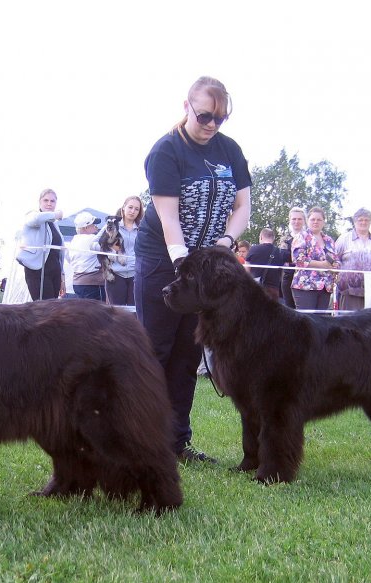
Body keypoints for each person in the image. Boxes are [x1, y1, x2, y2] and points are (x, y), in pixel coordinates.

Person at [134, 76, 251, 463]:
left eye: (220, 118)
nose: (212, 125)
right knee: (156, 351)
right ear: (186, 106)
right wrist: (186, 268)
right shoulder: (166, 150)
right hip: (162, 259)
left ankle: (176, 443)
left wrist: (226, 243)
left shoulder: (229, 150)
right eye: (204, 116)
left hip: (202, 267)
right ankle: (141, 440)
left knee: (188, 354)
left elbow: (242, 207)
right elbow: (169, 218)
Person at [333, 208, 371, 311]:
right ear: (354, 221)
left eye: (366, 220)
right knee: (349, 319)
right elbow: (335, 259)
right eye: (360, 220)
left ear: (370, 221)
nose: (363, 222)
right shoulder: (344, 239)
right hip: (349, 290)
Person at [16, 188, 64, 301]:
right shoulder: (32, 215)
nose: (49, 203)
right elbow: (35, 219)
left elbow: (60, 252)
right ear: (39, 202)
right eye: (46, 200)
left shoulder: (55, 224)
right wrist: (56, 214)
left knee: (54, 308)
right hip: (37, 271)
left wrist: (62, 277)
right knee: (44, 308)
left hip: (55, 271)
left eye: (52, 201)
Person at [291, 207, 340, 311]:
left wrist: (336, 266)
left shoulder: (329, 240)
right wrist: (322, 265)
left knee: (321, 320)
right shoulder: (301, 236)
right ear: (307, 221)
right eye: (313, 219)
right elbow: (298, 259)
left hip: (325, 287)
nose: (315, 222)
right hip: (305, 286)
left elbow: (336, 259)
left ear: (324, 222)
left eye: (319, 220)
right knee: (306, 319)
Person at [97, 195, 141, 306]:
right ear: (123, 207)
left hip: (135, 275)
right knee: (116, 312)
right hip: (115, 274)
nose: (133, 211)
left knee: (134, 311)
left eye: (136, 209)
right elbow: (92, 245)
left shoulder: (142, 228)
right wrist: (110, 248)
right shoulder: (110, 225)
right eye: (130, 207)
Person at [67, 211, 105, 301]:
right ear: (86, 227)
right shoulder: (91, 239)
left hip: (77, 283)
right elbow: (108, 249)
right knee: (97, 309)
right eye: (94, 225)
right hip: (93, 284)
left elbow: (68, 259)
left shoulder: (73, 241)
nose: (96, 227)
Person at [279, 207, 306, 308]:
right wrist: (301, 257)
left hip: (306, 278)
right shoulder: (285, 238)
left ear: (304, 220)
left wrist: (294, 256)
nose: (296, 221)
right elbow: (283, 256)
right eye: (294, 219)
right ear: (290, 220)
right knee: (289, 308)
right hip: (288, 277)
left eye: (299, 219)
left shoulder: (309, 237)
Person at [245, 228, 283, 300]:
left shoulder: (253, 249)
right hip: (273, 289)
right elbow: (282, 272)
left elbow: (247, 270)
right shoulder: (279, 251)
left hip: (256, 288)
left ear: (261, 237)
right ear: (273, 238)